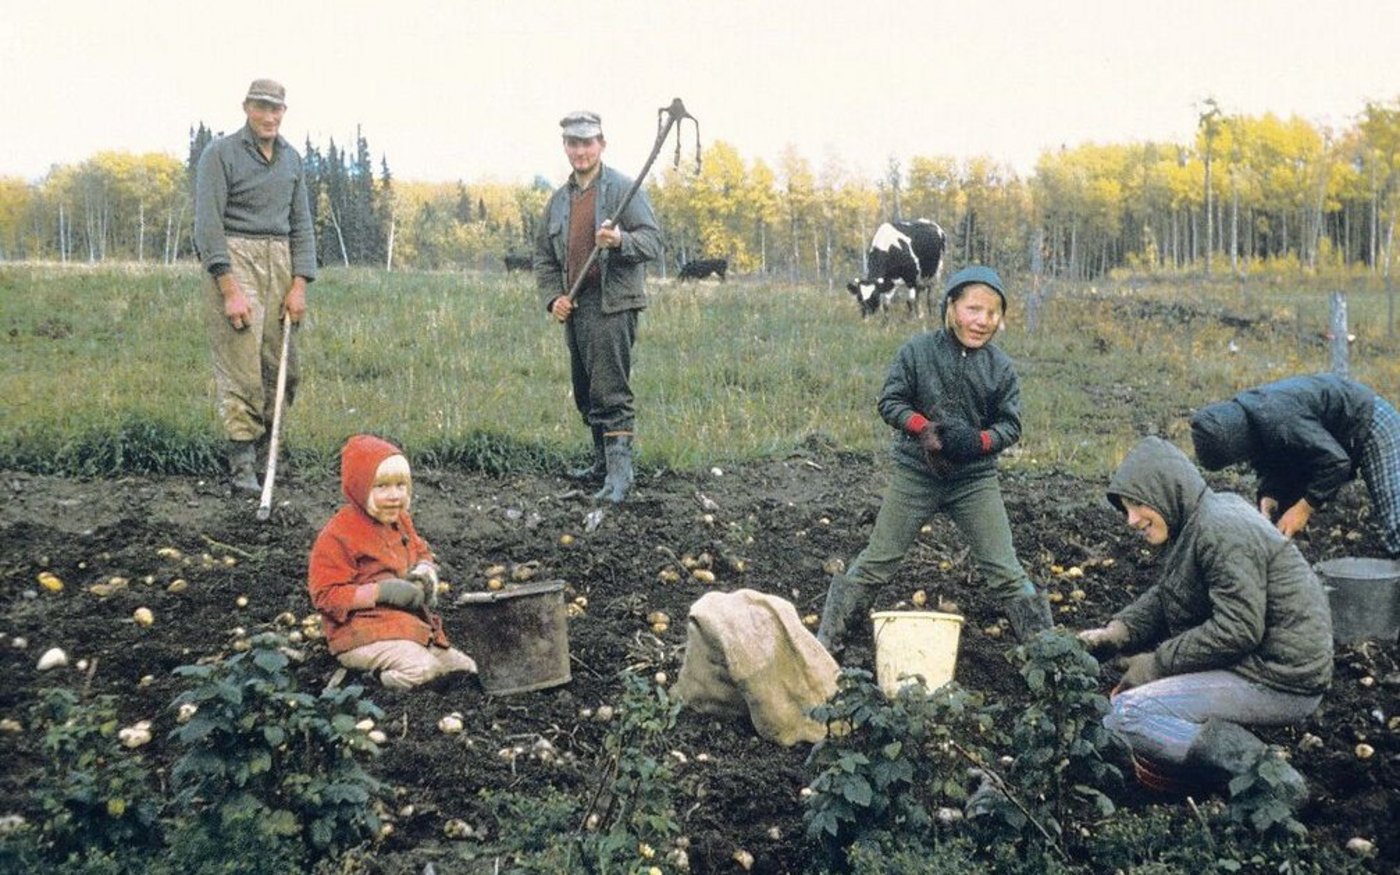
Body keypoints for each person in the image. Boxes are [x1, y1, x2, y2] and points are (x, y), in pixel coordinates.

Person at [816, 266, 1054, 654]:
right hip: (916, 474)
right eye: (973, 309)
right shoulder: (917, 352)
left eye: (992, 313)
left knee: (1005, 570)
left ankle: (1051, 654)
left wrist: (979, 441)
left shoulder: (1001, 369)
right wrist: (922, 428)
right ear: (951, 306)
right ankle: (826, 644)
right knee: (878, 559)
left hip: (974, 481)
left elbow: (1010, 426)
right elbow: (890, 402)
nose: (982, 321)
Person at [1077, 436, 1331, 798]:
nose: (1131, 520)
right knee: (1129, 710)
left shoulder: (1220, 530)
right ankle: (1213, 771)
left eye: (1137, 504)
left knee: (1128, 715)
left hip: (1281, 679)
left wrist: (1155, 665)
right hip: (1261, 665)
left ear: (1168, 490)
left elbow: (1238, 629)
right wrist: (1118, 632)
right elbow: (1170, 594)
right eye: (1125, 509)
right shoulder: (1200, 520)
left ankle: (1273, 783)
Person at [194, 78, 317, 494]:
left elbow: (301, 225)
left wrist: (299, 284)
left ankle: (270, 456)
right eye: (261, 107)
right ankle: (242, 465)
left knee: (283, 367)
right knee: (241, 365)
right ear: (246, 107)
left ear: (284, 112)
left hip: (281, 260)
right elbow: (207, 226)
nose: (269, 116)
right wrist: (229, 289)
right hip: (236, 257)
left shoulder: (292, 159)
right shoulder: (221, 153)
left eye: (276, 109)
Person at [534, 110, 663, 503]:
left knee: (610, 392)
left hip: (612, 306)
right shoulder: (558, 202)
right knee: (586, 391)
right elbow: (544, 259)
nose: (580, 151)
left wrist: (621, 241)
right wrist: (553, 298)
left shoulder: (625, 191)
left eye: (587, 143)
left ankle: (620, 477)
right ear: (565, 147)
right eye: (573, 144)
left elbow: (654, 244)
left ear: (601, 145)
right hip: (576, 307)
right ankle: (602, 466)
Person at [308, 434, 477, 689]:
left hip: (407, 627)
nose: (394, 496)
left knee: (467, 670)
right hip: (360, 634)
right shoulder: (338, 535)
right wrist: (381, 592)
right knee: (424, 672)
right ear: (360, 488)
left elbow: (421, 552)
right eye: (382, 487)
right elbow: (325, 596)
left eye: (401, 486)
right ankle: (366, 683)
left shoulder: (401, 521)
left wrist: (425, 573)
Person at [1190, 373, 1400, 557]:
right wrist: (1269, 495)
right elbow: (1277, 461)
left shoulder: (1280, 419)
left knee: (1396, 517)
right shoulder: (1252, 421)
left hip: (1371, 419)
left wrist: (1302, 509)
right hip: (1338, 436)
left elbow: (1336, 462)